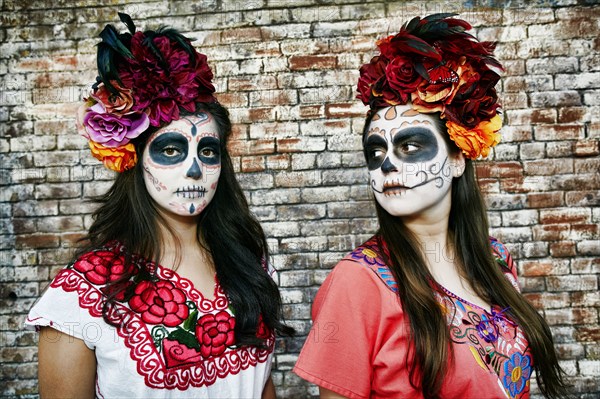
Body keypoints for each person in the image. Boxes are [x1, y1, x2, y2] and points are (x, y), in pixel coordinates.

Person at [293, 13, 568, 399]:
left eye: (410, 146)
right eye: (376, 152)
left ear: (458, 158)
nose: (387, 164)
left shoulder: (496, 259)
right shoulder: (357, 282)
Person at [26, 13, 292, 398]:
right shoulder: (79, 296)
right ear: (135, 160)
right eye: (171, 149)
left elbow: (261, 385)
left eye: (208, 150)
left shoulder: (250, 263)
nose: (195, 169)